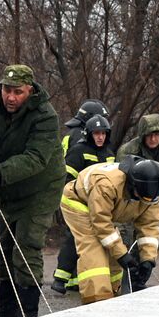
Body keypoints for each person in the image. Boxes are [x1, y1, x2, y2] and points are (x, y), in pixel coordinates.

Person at [0, 63, 64, 317]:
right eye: (7, 90)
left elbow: (36, 158)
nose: (11, 97)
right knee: (4, 249)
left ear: (30, 91)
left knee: (26, 248)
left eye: (18, 92)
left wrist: (1, 170)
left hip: (39, 188)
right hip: (7, 187)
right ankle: (5, 313)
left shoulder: (45, 116)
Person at [59, 157, 159, 304]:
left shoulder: (152, 194)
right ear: (132, 185)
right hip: (79, 202)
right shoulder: (106, 185)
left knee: (113, 254)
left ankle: (113, 294)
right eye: (141, 198)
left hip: (103, 211)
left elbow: (150, 227)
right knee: (94, 249)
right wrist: (123, 255)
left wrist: (148, 259)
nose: (145, 202)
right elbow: (101, 223)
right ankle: (96, 301)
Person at [52, 114, 115, 293]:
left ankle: (76, 280)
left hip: (100, 205)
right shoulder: (78, 151)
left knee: (95, 241)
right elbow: (68, 179)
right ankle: (60, 279)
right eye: (96, 133)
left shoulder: (109, 154)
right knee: (75, 237)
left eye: (103, 133)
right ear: (89, 134)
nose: (100, 137)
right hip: (77, 201)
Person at [117, 114, 159, 283]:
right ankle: (122, 279)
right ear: (142, 135)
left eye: (157, 134)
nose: (154, 139)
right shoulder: (129, 151)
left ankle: (142, 278)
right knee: (125, 237)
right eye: (150, 135)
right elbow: (121, 180)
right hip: (130, 199)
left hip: (157, 197)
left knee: (151, 234)